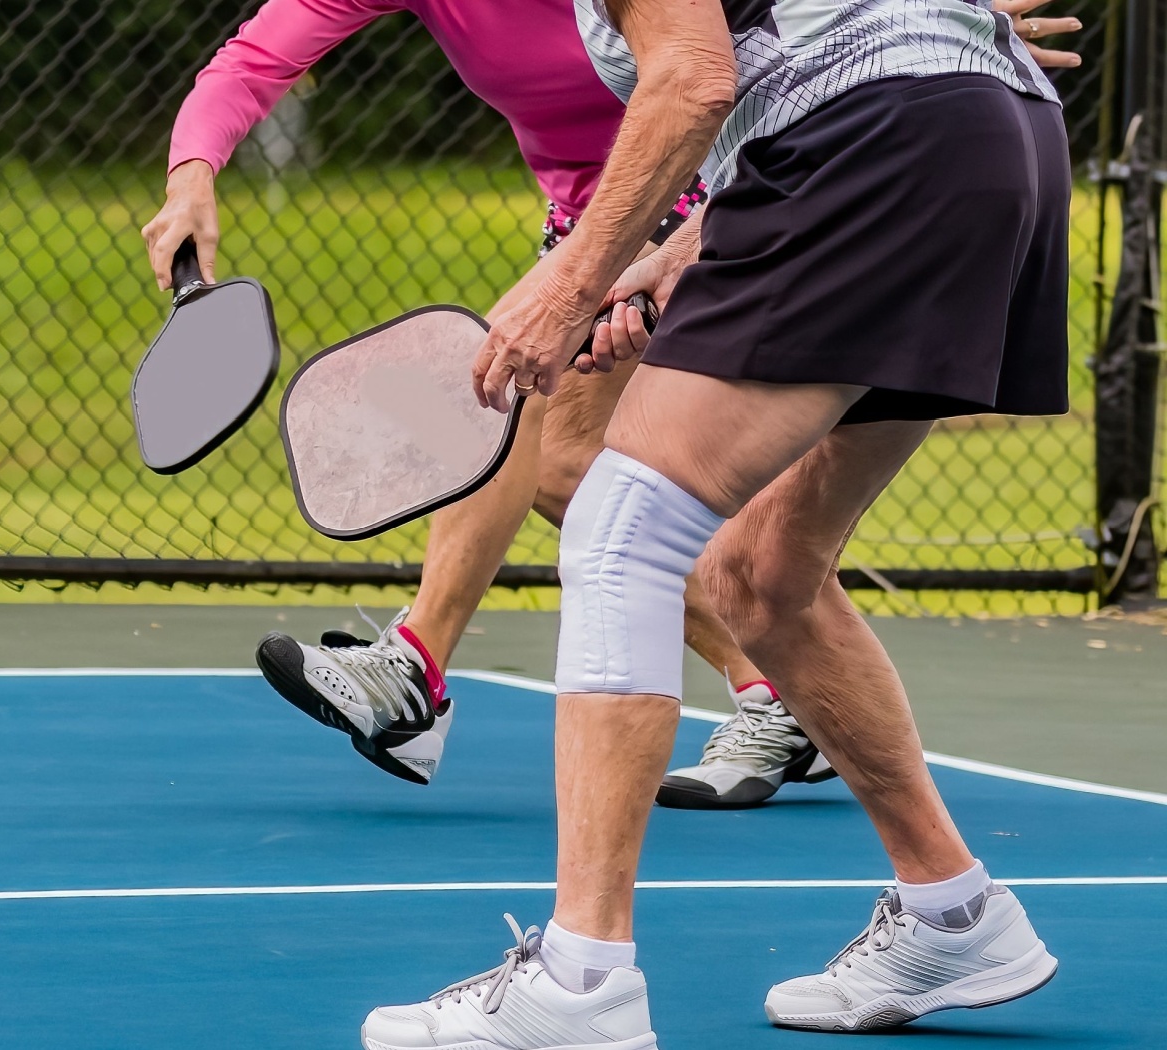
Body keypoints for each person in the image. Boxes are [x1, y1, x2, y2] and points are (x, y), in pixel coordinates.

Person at [143, 0, 1079, 806]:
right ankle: (772, 689)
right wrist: (192, 178)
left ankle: (419, 673)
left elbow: (729, 58)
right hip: (595, 217)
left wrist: (933, 29)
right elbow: (255, 58)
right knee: (568, 469)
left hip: (737, 181)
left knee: (544, 438)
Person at [358, 0, 1070, 1041]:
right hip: (987, 136)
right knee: (762, 576)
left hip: (881, 143)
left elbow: (694, 79)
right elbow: (785, 65)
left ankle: (580, 985)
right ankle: (954, 914)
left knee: (619, 528)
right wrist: (676, 251)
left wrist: (571, 281)